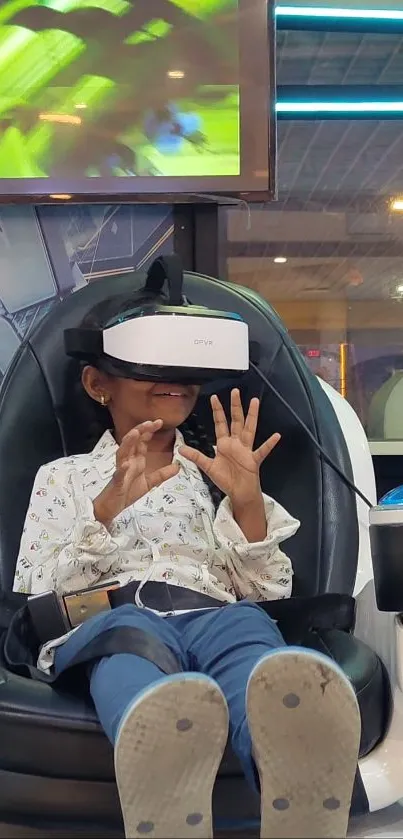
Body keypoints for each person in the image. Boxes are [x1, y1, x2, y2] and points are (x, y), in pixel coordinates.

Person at [13, 292, 361, 839]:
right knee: (129, 643)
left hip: (212, 609)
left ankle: (291, 769)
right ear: (97, 383)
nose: (175, 377)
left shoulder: (209, 478)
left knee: (251, 639)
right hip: (112, 615)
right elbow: (40, 592)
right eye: (154, 365)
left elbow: (265, 591)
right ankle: (164, 747)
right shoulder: (64, 478)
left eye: (186, 368)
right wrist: (103, 513)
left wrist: (246, 500)